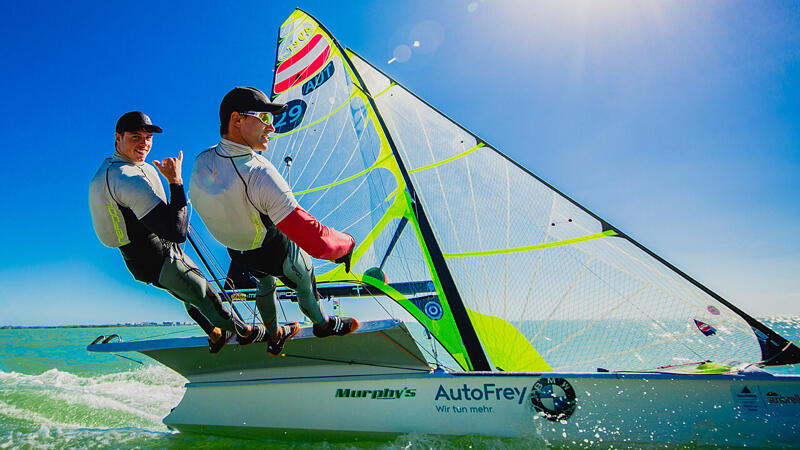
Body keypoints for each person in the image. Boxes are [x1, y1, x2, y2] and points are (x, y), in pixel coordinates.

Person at [189, 87, 359, 356]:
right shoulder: (259, 172)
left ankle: (274, 333)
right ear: (237, 120)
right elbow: (315, 240)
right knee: (305, 279)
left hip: (240, 253)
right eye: (265, 119)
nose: (272, 128)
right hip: (273, 249)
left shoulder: (201, 160)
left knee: (266, 285)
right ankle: (323, 324)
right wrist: (347, 245)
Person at [89, 111, 265, 353]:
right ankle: (250, 335)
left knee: (189, 294)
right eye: (135, 137)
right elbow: (176, 232)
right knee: (205, 293)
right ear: (118, 137)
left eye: (148, 138)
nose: (144, 144)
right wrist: (175, 180)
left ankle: (216, 336)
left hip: (140, 260)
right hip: (157, 256)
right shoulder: (125, 177)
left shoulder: (114, 168)